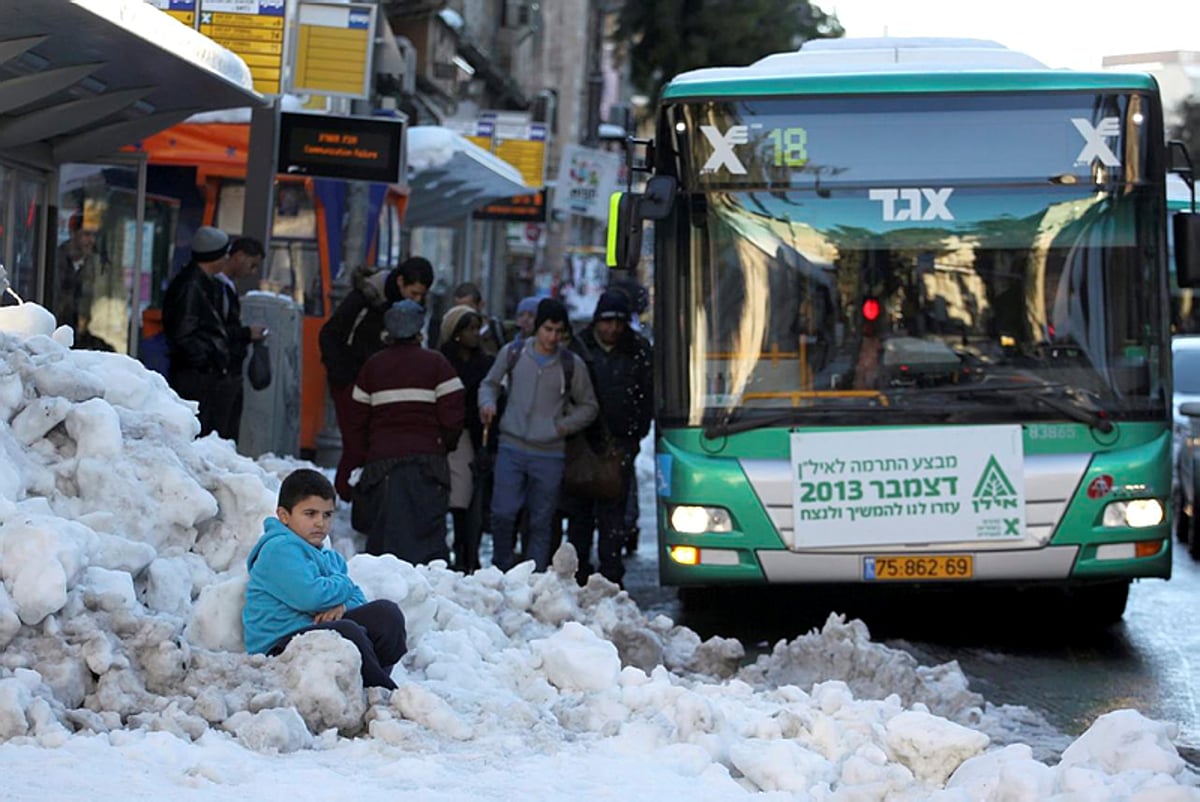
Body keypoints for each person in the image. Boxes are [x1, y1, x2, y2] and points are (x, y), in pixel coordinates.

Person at [243, 468, 407, 691]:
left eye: (327, 515)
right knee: (347, 632)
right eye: (310, 514)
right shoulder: (278, 549)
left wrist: (340, 605)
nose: (320, 523)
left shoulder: (328, 556)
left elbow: (358, 600)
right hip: (280, 648)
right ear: (284, 515)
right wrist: (344, 585)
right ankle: (385, 692)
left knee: (387, 615)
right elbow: (311, 596)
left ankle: (367, 687)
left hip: (314, 634)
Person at [336, 300, 465, 564]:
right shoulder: (438, 365)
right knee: (427, 543)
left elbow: (356, 421)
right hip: (429, 464)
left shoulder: (373, 367)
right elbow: (453, 417)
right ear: (420, 331)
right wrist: (441, 445)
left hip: (382, 467)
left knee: (386, 540)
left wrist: (364, 456)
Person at [478, 298, 598, 572]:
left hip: (550, 451)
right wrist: (487, 403)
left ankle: (534, 573)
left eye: (558, 332)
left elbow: (589, 405)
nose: (552, 337)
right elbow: (490, 384)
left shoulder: (571, 364)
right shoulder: (514, 353)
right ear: (537, 327)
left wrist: (563, 426)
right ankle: (501, 568)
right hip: (512, 444)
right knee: (503, 513)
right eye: (548, 329)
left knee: (541, 520)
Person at [565, 290, 653, 587]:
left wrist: (635, 433)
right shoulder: (580, 347)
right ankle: (579, 573)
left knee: (613, 512)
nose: (612, 329)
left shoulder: (638, 350)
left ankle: (610, 574)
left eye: (617, 322)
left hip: (620, 442)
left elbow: (647, 396)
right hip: (582, 442)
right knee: (580, 512)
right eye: (606, 322)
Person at [319, 257, 434, 438]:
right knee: (357, 446)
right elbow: (331, 334)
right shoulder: (366, 297)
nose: (417, 300)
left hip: (387, 388)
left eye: (421, 295)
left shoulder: (413, 309)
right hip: (354, 380)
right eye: (413, 294)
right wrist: (342, 378)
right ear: (401, 282)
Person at [162, 226, 239, 437]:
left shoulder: (203, 283)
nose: (227, 259)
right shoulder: (191, 286)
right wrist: (206, 358)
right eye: (224, 253)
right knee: (199, 430)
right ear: (214, 256)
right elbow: (182, 333)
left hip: (200, 371)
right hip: (196, 375)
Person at [439, 304, 494, 572]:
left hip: (468, 435)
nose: (476, 334)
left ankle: (465, 549)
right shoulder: (441, 362)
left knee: (464, 498)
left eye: (477, 328)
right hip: (444, 434)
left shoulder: (485, 364)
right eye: (469, 329)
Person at [214, 236, 267, 439]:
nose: (252, 272)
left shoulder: (228, 286)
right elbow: (218, 328)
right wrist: (246, 333)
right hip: (222, 370)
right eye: (252, 265)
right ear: (239, 256)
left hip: (229, 369)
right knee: (222, 429)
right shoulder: (218, 286)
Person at [51, 211, 101, 341]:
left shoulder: (92, 263)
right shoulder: (56, 260)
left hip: (79, 331)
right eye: (86, 234)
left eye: (93, 235)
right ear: (73, 233)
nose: (91, 240)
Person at [430, 282, 507, 357]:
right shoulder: (449, 331)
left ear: (480, 305)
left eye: (467, 308)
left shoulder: (495, 328)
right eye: (458, 309)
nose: (463, 313)